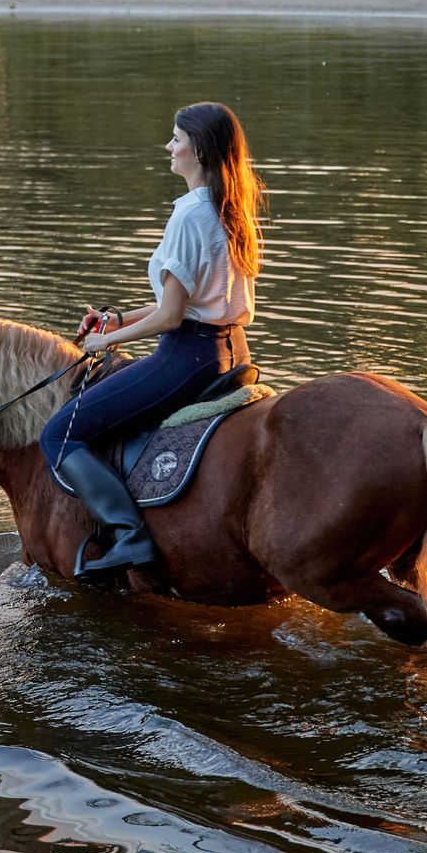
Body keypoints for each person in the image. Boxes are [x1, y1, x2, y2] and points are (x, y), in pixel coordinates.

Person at [42, 101, 266, 583]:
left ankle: (130, 536)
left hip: (190, 358)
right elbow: (189, 302)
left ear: (199, 149)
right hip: (233, 350)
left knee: (60, 434)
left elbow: (170, 317)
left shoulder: (189, 217)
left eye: (176, 138)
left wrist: (106, 341)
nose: (169, 146)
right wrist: (118, 316)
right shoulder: (231, 209)